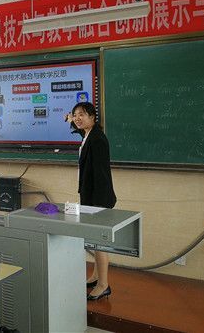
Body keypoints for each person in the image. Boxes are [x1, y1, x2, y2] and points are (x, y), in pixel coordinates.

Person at [66, 102, 116, 301]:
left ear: (93, 117)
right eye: (75, 114)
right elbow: (78, 129)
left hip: (98, 200)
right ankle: (96, 276)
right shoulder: (87, 134)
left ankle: (104, 285)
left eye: (82, 114)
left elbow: (101, 175)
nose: (78, 118)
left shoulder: (98, 140)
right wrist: (69, 120)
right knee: (94, 241)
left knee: (99, 242)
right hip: (90, 197)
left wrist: (97, 207)